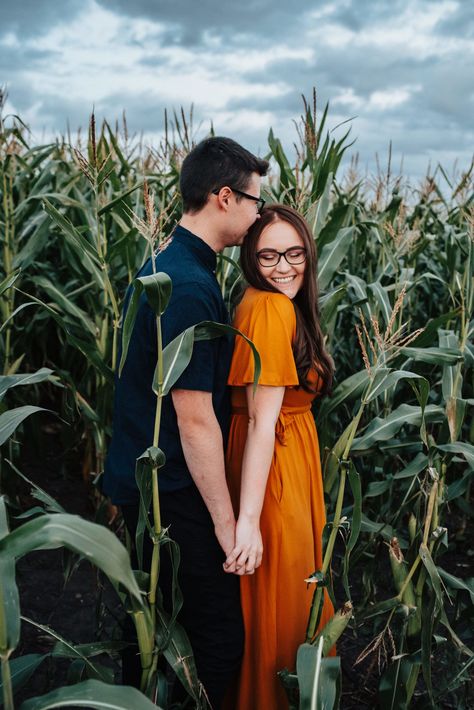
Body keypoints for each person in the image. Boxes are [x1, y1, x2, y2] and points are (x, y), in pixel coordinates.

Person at [102, 136, 268, 709]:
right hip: (174, 492)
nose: (258, 217)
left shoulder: (164, 266)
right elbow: (194, 420)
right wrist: (226, 523)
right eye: (254, 203)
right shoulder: (190, 287)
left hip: (146, 482)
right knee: (217, 643)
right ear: (225, 197)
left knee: (150, 632)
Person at [223, 204, 335, 709]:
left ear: (309, 253)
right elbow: (265, 420)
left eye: (293, 253)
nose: (283, 266)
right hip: (274, 473)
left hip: (281, 459)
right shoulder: (271, 309)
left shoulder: (268, 303)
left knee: (282, 604)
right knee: (285, 606)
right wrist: (248, 521)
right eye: (268, 256)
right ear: (250, 258)